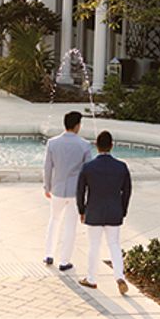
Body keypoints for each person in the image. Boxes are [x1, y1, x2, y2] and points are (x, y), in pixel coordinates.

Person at [76, 130, 131, 295]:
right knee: (114, 244)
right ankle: (119, 276)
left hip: (94, 211)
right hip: (114, 211)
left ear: (96, 146)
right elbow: (127, 191)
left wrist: (81, 210)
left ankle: (91, 279)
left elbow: (80, 191)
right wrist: (123, 210)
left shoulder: (88, 167)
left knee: (94, 245)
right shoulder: (121, 167)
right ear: (112, 146)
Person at [42, 111, 93, 271]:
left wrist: (47, 186)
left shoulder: (52, 143)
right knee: (70, 226)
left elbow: (47, 167)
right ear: (77, 125)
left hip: (57, 188)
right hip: (75, 192)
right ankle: (64, 261)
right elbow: (89, 171)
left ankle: (48, 254)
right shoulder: (84, 145)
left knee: (54, 220)